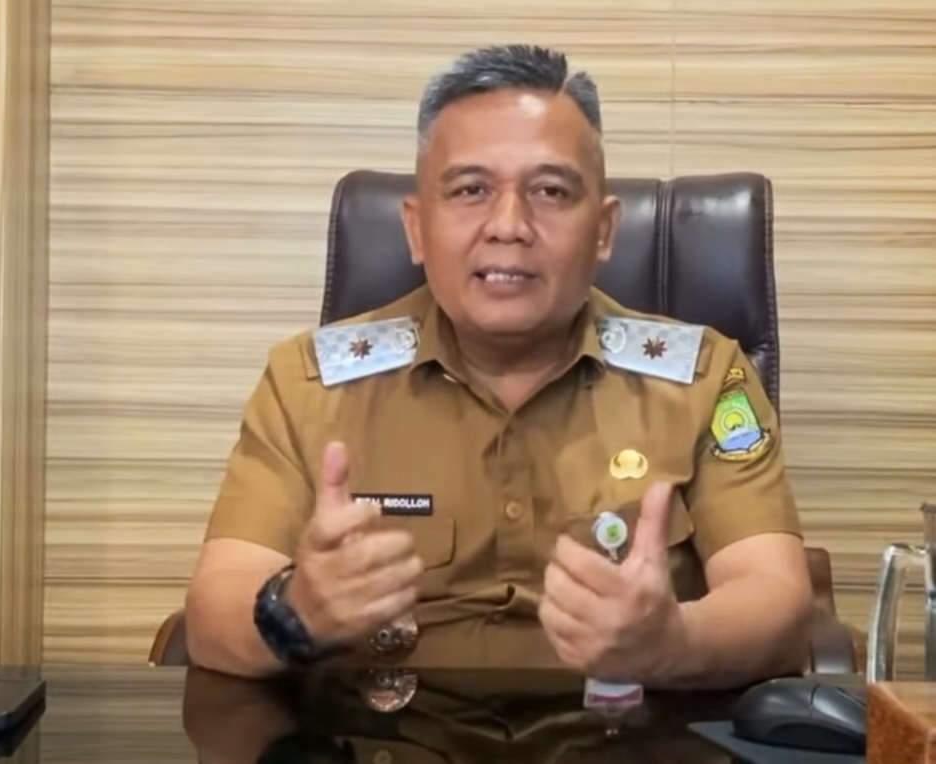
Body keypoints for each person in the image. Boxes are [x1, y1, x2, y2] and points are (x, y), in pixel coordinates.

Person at [184, 44, 813, 689]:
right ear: (416, 228)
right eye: (471, 190)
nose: (508, 225)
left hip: (624, 731)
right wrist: (295, 614)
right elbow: (212, 614)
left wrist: (673, 642)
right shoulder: (308, 384)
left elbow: (777, 598)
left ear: (603, 230)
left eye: (550, 191)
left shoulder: (702, 378)